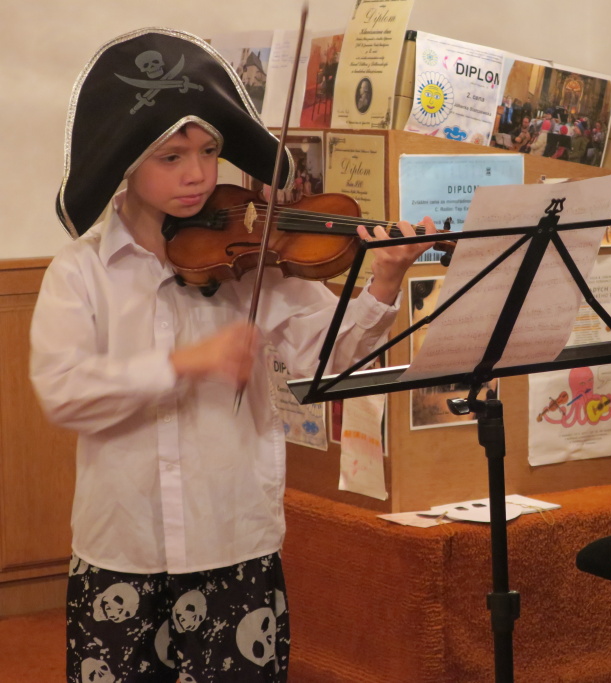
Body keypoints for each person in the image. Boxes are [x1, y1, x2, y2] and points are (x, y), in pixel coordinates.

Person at [31, 29, 434, 683]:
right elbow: (65, 391)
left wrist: (384, 281)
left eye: (210, 151)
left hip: (233, 542)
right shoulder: (80, 272)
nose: (197, 174)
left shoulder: (253, 256)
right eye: (171, 156)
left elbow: (325, 359)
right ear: (127, 160)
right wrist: (184, 364)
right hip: (122, 548)